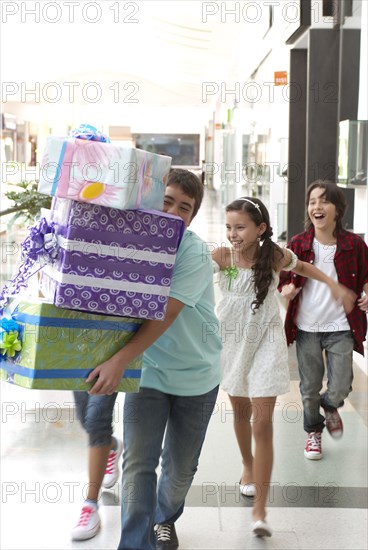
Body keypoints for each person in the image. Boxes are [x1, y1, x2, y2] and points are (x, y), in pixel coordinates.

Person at [86, 168, 222, 550]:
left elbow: (166, 313)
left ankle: (165, 516)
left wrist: (118, 361)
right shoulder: (133, 245)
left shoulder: (194, 252)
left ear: (192, 217)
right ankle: (134, 544)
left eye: (185, 208)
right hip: (149, 375)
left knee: (179, 471)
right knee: (138, 465)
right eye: (167, 201)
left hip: (197, 376)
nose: (174, 212)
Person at [212, 196, 356, 538]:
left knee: (263, 425)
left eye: (240, 227)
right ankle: (247, 465)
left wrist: (334, 285)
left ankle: (260, 510)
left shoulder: (273, 255)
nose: (233, 234)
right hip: (232, 346)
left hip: (266, 346)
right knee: (240, 414)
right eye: (229, 227)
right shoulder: (222, 257)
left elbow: (303, 267)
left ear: (260, 229)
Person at [278, 180, 368, 460]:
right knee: (309, 387)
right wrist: (287, 292)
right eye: (312, 201)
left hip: (341, 325)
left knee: (341, 383)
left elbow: (366, 277)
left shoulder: (354, 244)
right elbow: (281, 283)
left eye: (324, 201)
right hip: (306, 327)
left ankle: (330, 406)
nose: (317, 206)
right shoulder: (298, 243)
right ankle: (314, 434)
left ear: (337, 210)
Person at [70, 392, 123, 541]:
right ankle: (111, 445)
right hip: (79, 367)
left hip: (110, 367)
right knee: (85, 418)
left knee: (96, 421)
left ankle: (90, 504)